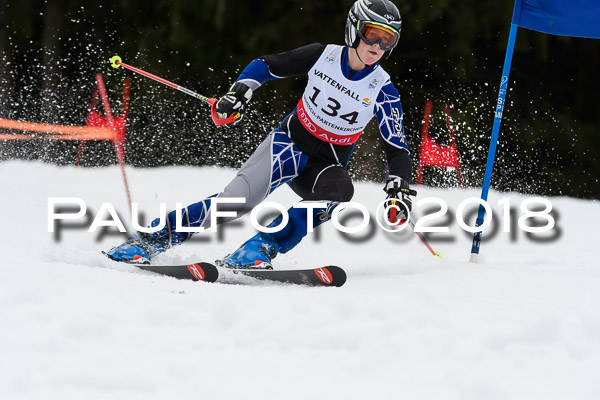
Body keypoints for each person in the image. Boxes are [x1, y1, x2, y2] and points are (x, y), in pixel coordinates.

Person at [106, 0, 416, 268]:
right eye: (372, 35)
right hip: (287, 146)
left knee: (339, 193)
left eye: (387, 40)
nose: (377, 47)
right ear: (354, 29)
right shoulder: (322, 56)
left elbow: (397, 147)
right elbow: (265, 66)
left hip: (322, 168)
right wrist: (238, 93)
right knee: (234, 202)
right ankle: (148, 240)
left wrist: (397, 187)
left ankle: (259, 248)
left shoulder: (384, 90)